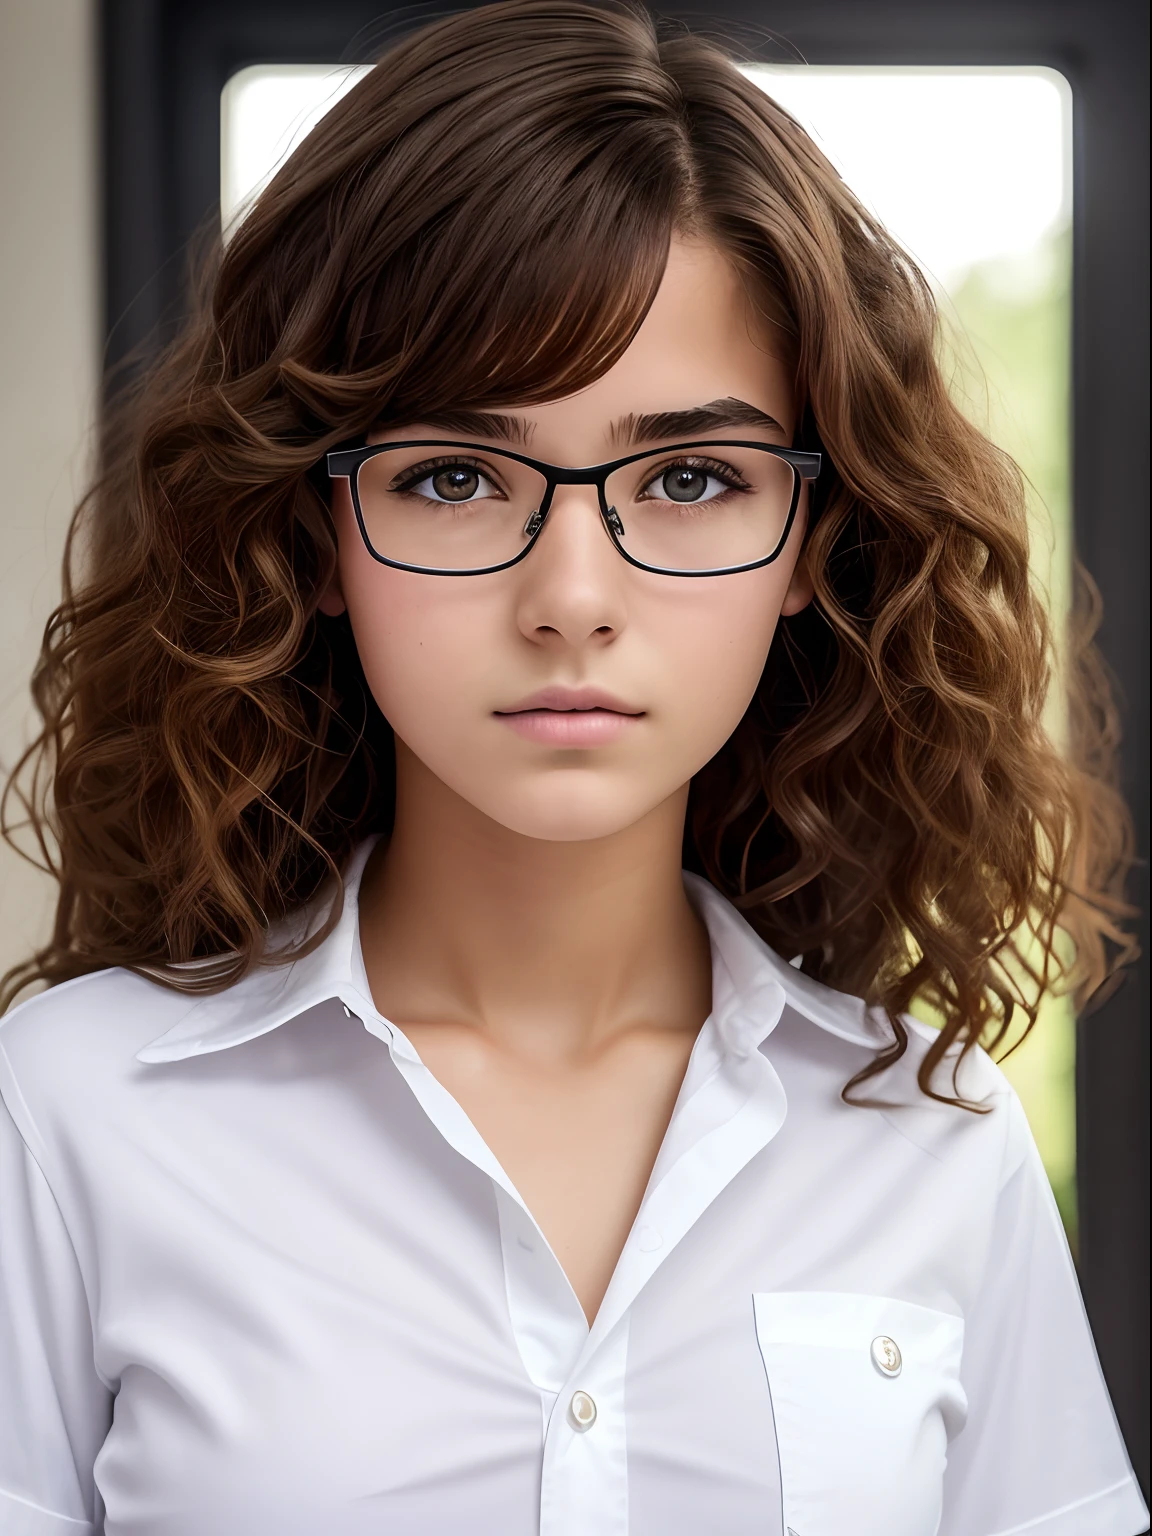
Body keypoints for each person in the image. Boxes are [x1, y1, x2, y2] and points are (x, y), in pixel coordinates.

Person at [0, 2, 1146, 1533]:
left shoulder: (934, 1137)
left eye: (689, 477)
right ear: (312, 535)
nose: (572, 598)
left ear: (812, 541)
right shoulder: (67, 1117)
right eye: (455, 476)